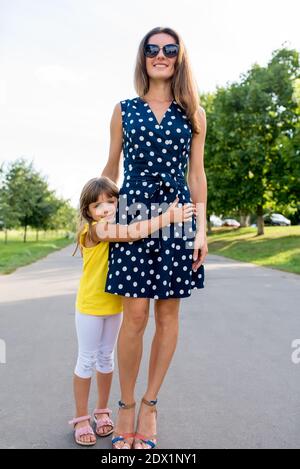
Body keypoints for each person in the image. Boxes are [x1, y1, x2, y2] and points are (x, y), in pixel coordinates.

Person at [101, 26, 208, 449]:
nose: (160, 55)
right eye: (152, 49)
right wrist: (94, 214)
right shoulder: (124, 110)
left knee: (167, 316)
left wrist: (202, 230)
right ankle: (125, 406)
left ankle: (150, 405)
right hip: (133, 215)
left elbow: (196, 176)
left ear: (179, 57)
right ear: (143, 57)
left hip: (180, 218)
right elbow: (110, 169)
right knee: (136, 317)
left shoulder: (194, 113)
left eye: (169, 49)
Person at [69, 175, 195, 446]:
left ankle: (102, 412)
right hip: (90, 307)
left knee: (106, 360)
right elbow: (133, 232)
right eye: (97, 206)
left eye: (111, 202)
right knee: (87, 360)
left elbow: (132, 225)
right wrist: (167, 217)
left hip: (114, 306)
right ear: (87, 212)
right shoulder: (94, 231)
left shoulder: (115, 219)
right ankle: (80, 417)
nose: (105, 209)